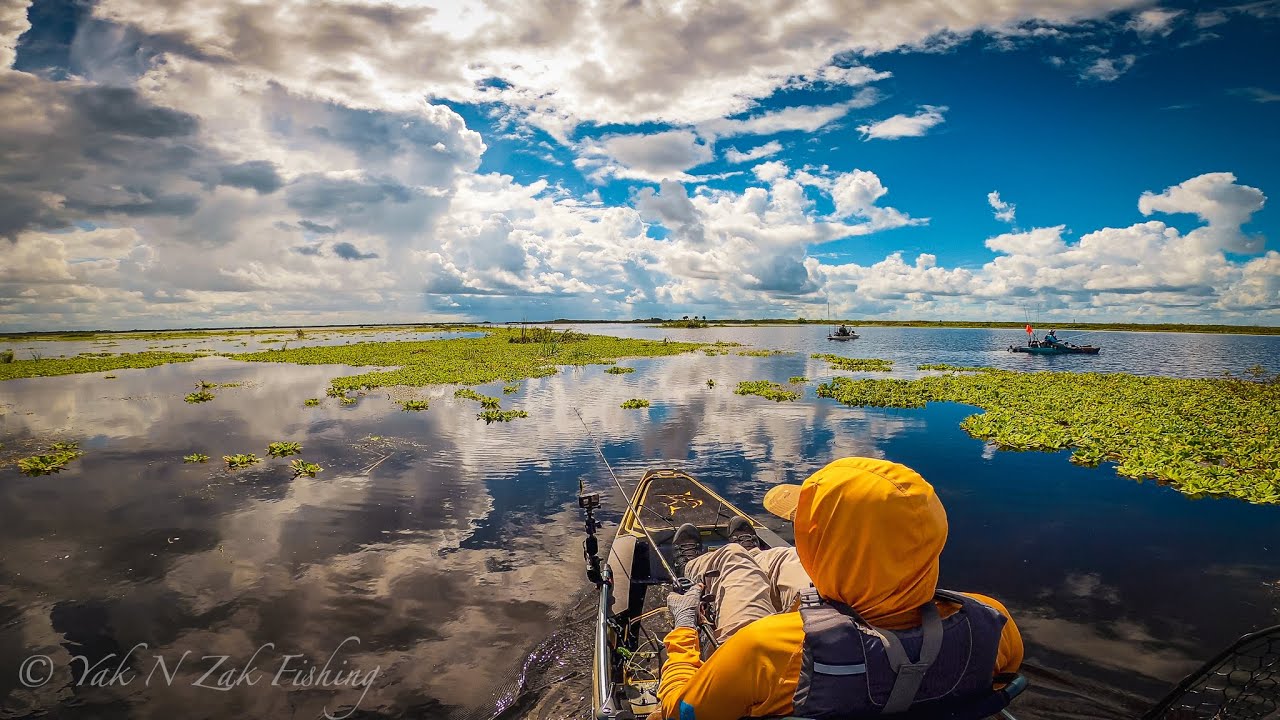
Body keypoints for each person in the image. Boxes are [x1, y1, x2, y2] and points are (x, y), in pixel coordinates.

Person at [655, 457, 1024, 720]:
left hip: (789, 655)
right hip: (854, 628)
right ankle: (758, 555)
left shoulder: (764, 648)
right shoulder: (993, 620)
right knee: (784, 558)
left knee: (733, 559)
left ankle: (703, 563)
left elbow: (680, 712)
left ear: (825, 547)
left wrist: (685, 628)